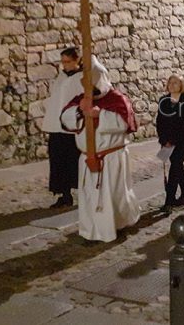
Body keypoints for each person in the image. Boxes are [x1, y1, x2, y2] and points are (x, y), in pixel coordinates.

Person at [61, 56, 141, 242]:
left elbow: (124, 123)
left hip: (112, 158)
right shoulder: (80, 100)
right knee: (90, 196)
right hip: (88, 159)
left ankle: (118, 224)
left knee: (114, 195)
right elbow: (65, 118)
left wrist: (100, 115)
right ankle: (91, 230)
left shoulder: (117, 99)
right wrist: (80, 111)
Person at [41, 47, 83, 208]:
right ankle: (64, 194)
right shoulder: (61, 76)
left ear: (76, 60)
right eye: (63, 62)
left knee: (73, 160)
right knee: (58, 160)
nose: (64, 65)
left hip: (72, 126)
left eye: (68, 62)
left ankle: (82, 192)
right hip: (56, 126)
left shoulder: (81, 78)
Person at [156, 74, 184, 213]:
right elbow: (160, 122)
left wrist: (172, 141)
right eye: (170, 82)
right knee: (178, 168)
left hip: (181, 143)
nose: (172, 85)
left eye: (176, 83)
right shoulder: (163, 101)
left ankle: (169, 201)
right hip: (167, 142)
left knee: (175, 168)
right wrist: (163, 140)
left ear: (181, 85)